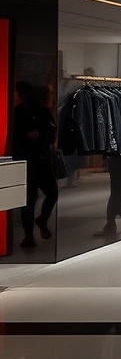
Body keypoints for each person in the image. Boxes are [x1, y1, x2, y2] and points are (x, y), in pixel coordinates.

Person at [14, 82, 58, 248]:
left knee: (33, 198)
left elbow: (50, 134)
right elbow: (51, 134)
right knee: (37, 196)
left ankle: (32, 231)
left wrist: (36, 136)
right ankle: (33, 230)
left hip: (31, 158)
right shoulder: (38, 111)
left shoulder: (22, 112)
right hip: (35, 158)